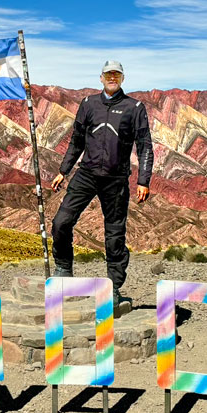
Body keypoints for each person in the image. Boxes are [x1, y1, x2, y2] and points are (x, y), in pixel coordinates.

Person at [50, 60, 153, 305]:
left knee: (114, 236)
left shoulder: (134, 107)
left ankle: (113, 288)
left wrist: (143, 180)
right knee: (60, 222)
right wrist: (63, 171)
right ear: (101, 77)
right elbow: (76, 141)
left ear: (122, 78)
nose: (112, 78)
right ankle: (64, 269)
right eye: (108, 74)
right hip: (85, 175)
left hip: (116, 180)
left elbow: (145, 146)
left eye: (116, 74)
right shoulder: (88, 104)